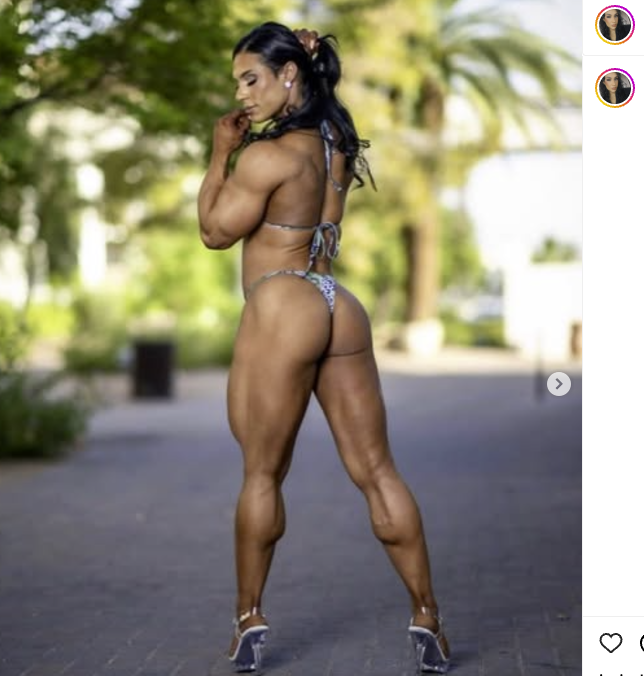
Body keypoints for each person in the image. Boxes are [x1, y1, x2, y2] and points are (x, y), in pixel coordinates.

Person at [197, 21, 450, 674]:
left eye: (251, 79)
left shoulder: (267, 157)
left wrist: (220, 153)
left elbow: (215, 233)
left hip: (283, 301)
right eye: (238, 83)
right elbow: (320, 109)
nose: (242, 94)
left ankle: (249, 618)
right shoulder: (336, 140)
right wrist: (303, 61)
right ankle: (428, 615)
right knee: (378, 471)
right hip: (339, 304)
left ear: (288, 75)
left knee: (261, 474)